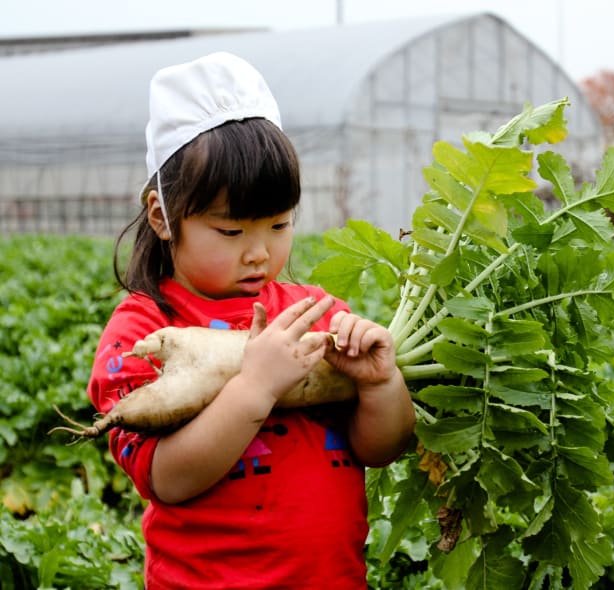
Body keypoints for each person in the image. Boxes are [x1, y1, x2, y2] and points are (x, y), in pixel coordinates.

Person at [87, 51, 416, 589]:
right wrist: (254, 388)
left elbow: (379, 448)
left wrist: (381, 383)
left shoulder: (316, 312)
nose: (259, 253)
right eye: (232, 233)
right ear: (162, 217)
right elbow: (167, 479)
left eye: (279, 225)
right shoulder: (143, 332)